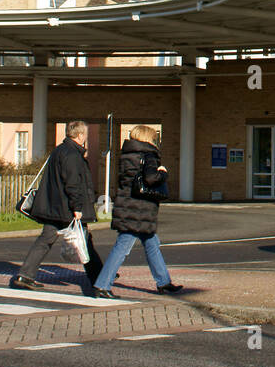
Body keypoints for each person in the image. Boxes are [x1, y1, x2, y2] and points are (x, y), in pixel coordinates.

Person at [11, 120, 104, 291]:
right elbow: (73, 183)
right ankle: (99, 279)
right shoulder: (72, 155)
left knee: (48, 239)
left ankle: (25, 275)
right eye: (85, 135)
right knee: (83, 241)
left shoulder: (59, 150)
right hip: (65, 208)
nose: (85, 138)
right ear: (80, 135)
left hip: (54, 206)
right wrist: (77, 207)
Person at [91, 124, 181, 299]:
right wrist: (162, 173)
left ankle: (164, 282)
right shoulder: (149, 155)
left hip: (128, 205)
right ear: (148, 139)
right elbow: (150, 178)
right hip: (139, 209)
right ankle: (102, 285)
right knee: (122, 246)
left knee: (152, 243)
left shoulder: (126, 155)